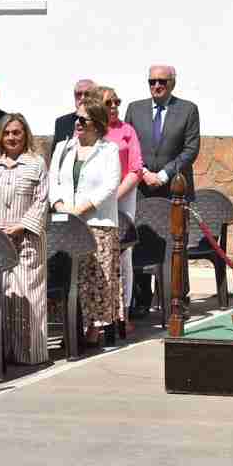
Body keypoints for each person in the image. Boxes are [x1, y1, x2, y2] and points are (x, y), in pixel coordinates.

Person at [124, 65, 200, 317]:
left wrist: (165, 173)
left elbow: (191, 148)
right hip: (143, 188)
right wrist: (143, 172)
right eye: (152, 81)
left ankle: (179, 299)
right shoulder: (135, 109)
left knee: (177, 243)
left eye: (162, 82)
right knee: (142, 239)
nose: (156, 86)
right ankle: (142, 299)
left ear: (172, 84)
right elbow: (129, 145)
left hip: (174, 189)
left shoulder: (188, 109)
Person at [48, 96, 122, 347]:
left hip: (97, 222)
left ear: (98, 123)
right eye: (76, 118)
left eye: (84, 119)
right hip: (66, 221)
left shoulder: (108, 150)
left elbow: (109, 186)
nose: (77, 123)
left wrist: (80, 210)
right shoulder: (63, 148)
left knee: (96, 278)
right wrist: (60, 206)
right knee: (70, 276)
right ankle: (71, 324)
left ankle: (94, 327)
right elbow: (53, 181)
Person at [0, 113, 49, 365]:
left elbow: (41, 201)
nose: (12, 138)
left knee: (28, 296)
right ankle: (1, 351)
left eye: (16, 132)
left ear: (25, 135)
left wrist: (21, 227)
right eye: (7, 133)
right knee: (2, 295)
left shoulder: (37, 163)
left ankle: (30, 353)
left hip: (27, 241)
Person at [99, 85, 143, 330]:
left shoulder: (127, 131)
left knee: (123, 255)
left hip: (123, 196)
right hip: (95, 203)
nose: (115, 106)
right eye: (109, 103)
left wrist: (113, 196)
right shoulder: (91, 130)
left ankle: (123, 313)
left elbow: (136, 168)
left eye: (117, 101)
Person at [52, 79, 96, 151]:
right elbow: (54, 154)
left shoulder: (102, 121)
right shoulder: (62, 122)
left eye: (87, 94)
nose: (82, 98)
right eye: (79, 94)